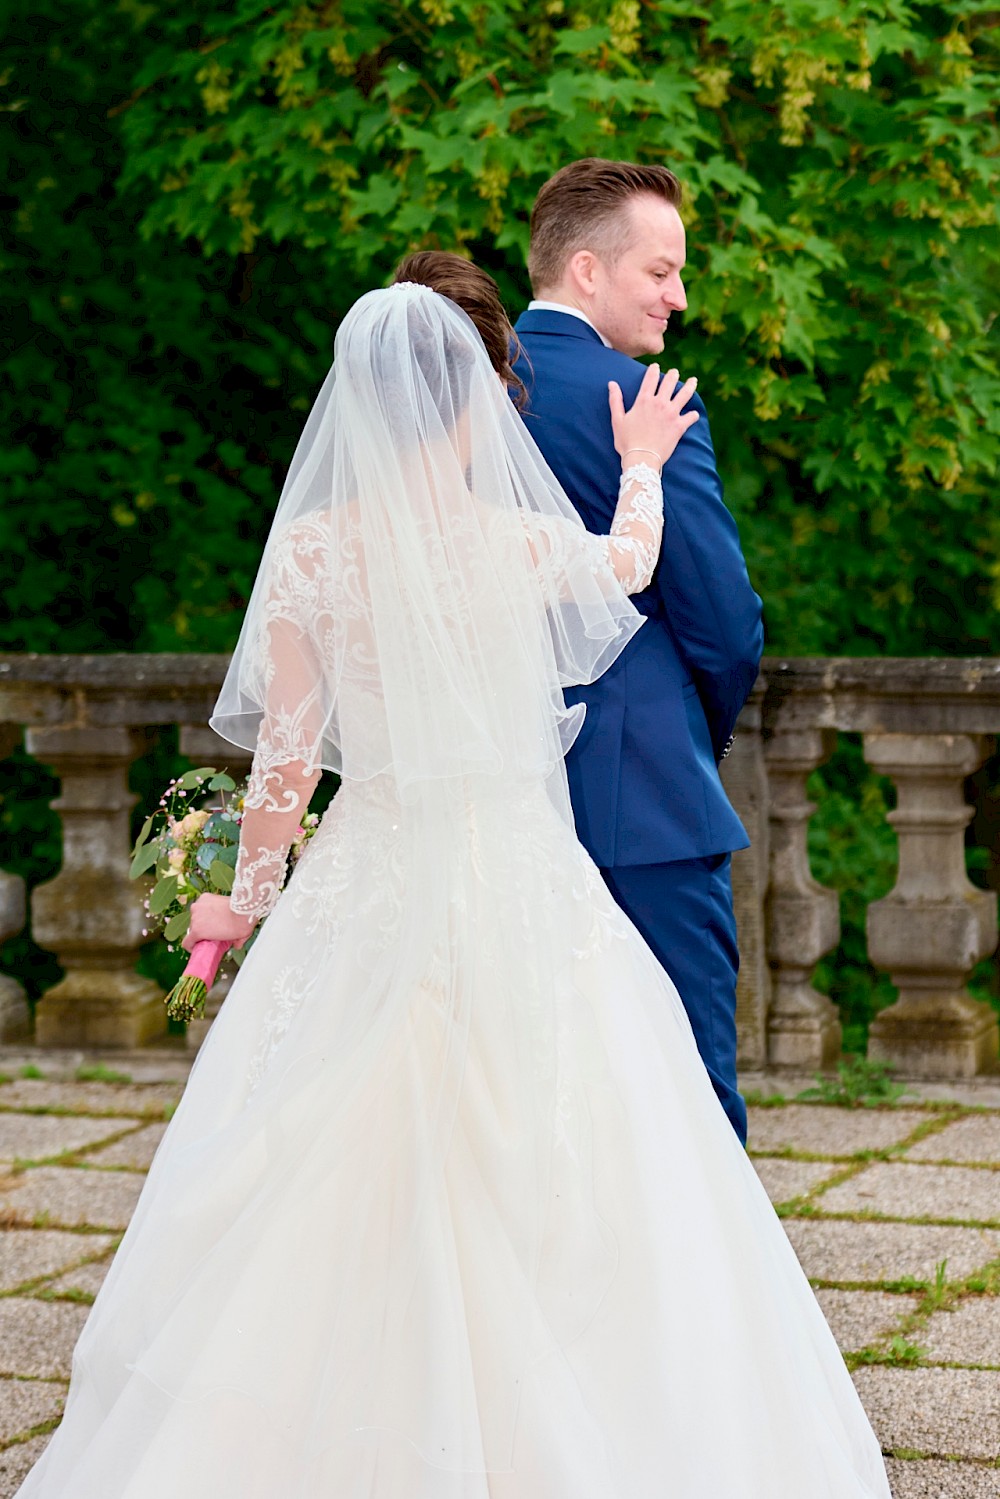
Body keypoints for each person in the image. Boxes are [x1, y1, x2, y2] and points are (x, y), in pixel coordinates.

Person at [16, 263, 889, 1499]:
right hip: (523, 879)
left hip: (368, 880)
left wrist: (237, 903)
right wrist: (639, 458)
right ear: (472, 407)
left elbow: (283, 767)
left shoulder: (314, 554)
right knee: (578, 1146)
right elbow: (631, 566)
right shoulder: (512, 542)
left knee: (319, 1154)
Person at [513, 158, 764, 1143]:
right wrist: (692, 728)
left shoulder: (453, 401)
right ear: (585, 269)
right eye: (660, 272)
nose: (680, 297)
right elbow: (720, 617)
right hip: (644, 798)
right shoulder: (646, 401)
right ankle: (711, 1296)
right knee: (684, 1072)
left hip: (493, 787)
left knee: (527, 1085)